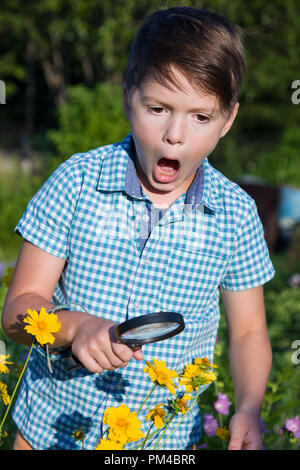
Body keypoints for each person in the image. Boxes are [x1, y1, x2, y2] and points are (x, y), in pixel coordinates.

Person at [2, 6, 275, 451]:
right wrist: (75, 327)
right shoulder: (77, 181)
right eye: (158, 107)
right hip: (50, 431)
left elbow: (248, 332)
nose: (174, 134)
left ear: (228, 120)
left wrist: (247, 408)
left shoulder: (238, 216)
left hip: (163, 441)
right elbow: (17, 312)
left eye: (200, 117)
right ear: (128, 96)